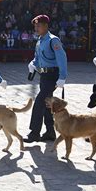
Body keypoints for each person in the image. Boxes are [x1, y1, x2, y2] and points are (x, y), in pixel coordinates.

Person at [24, 15, 68, 143]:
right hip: (43, 76)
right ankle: (50, 132)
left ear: (46, 26)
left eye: (39, 25)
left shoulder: (53, 40)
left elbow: (62, 58)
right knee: (47, 104)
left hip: (52, 75)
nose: (36, 28)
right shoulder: (40, 40)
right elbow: (37, 58)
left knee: (39, 102)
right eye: (35, 26)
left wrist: (62, 77)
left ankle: (34, 133)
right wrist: (33, 64)